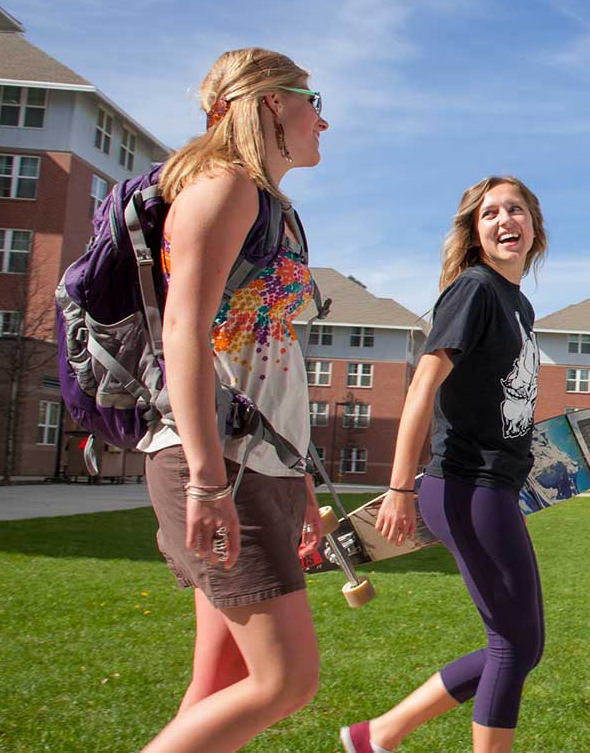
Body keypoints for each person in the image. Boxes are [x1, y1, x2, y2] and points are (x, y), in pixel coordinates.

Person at [138, 48, 329, 753]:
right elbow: (184, 332)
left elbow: (267, 357)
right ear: (273, 102)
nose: (325, 120)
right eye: (314, 99)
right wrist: (206, 477)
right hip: (218, 466)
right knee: (286, 679)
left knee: (216, 684)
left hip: (262, 466)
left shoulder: (273, 207)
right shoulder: (224, 188)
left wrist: (298, 475)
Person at [341, 176, 548, 753]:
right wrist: (399, 488)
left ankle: (377, 734)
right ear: (475, 233)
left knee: (521, 644)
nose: (505, 220)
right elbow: (421, 387)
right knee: (512, 644)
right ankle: (380, 734)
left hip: (494, 489)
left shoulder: (518, 304)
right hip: (462, 483)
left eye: (516, 209)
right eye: (490, 214)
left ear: (534, 225)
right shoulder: (474, 290)